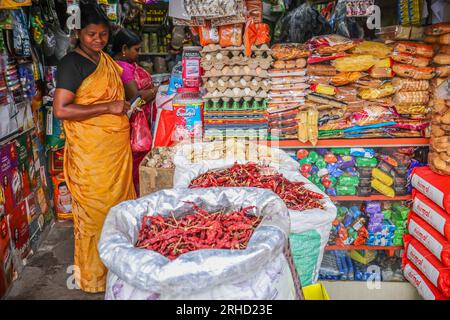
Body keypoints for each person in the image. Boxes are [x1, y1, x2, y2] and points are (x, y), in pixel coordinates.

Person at [52, 1, 136, 293]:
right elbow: (61, 110)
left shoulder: (106, 62)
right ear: (78, 33)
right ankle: (95, 278)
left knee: (119, 210)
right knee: (96, 215)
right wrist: (108, 107)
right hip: (91, 158)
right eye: (91, 34)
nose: (98, 39)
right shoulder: (71, 64)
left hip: (115, 154)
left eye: (103, 34)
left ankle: (121, 271)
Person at [112, 28, 158, 194]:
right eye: (136, 49)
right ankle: (136, 193)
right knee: (136, 161)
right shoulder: (122, 68)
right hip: (131, 123)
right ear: (124, 49)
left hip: (136, 121)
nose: (138, 53)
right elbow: (136, 98)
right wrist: (156, 90)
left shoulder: (127, 65)